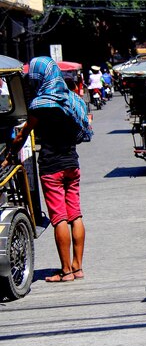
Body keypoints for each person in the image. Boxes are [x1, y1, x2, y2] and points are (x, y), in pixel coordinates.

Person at [2, 57, 92, 282]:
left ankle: (66, 271)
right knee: (75, 214)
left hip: (51, 167)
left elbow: (22, 135)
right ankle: (78, 267)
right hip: (72, 163)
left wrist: (9, 155)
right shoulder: (71, 99)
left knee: (59, 217)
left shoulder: (39, 105)